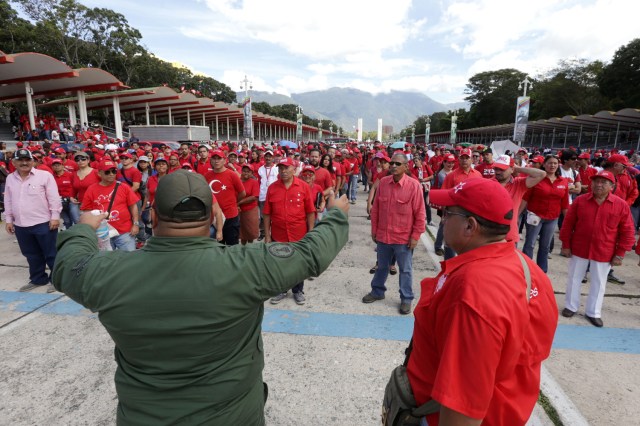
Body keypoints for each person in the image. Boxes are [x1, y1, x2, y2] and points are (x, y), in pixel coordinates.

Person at [52, 170, 350, 425]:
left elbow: (66, 265)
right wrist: (336, 215)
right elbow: (312, 254)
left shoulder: (109, 274)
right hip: (233, 416)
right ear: (210, 217)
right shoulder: (246, 266)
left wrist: (84, 228)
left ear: (153, 216)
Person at [401, 178, 557, 425]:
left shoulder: (472, 292)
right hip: (506, 409)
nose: (442, 218)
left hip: (443, 415)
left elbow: (463, 402)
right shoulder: (527, 268)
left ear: (470, 226)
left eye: (447, 213)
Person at [559, 170, 635, 327]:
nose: (599, 185)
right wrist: (565, 245)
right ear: (591, 184)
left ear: (612, 186)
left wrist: (620, 254)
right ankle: (570, 306)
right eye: (596, 182)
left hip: (604, 250)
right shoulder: (580, 201)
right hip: (579, 247)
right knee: (574, 278)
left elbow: (627, 231)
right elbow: (567, 224)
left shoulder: (620, 205)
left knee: (599, 283)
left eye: (604, 182)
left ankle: (593, 312)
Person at [362, 153, 425, 315]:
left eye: (398, 164)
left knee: (405, 269)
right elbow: (376, 209)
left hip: (403, 238)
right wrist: (374, 231)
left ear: (406, 166)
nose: (394, 166)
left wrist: (415, 236)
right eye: (392, 163)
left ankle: (406, 298)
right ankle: (377, 291)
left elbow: (420, 214)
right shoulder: (383, 183)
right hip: (383, 236)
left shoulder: (414, 186)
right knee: (382, 266)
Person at [4, 148, 61, 292]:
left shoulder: (45, 176)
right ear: (14, 162)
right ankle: (38, 279)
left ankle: (57, 280)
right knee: (31, 254)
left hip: (43, 222)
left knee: (51, 253)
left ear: (33, 161)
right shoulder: (10, 178)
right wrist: (9, 219)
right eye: (20, 160)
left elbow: (54, 198)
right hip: (21, 225)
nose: (24, 163)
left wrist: (55, 217)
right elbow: (8, 200)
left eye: (27, 160)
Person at [264, 158, 316, 305]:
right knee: (280, 263)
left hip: (298, 234)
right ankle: (281, 289)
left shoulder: (303, 187)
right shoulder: (272, 188)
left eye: (286, 168)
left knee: (298, 264)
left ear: (294, 169)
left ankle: (298, 290)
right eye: (281, 168)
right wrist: (267, 235)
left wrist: (311, 233)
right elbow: (267, 213)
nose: (283, 171)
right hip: (278, 234)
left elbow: (310, 211)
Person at [522, 155, 569, 272]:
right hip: (535, 216)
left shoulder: (563, 181)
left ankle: (542, 272)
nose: (552, 165)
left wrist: (568, 222)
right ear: (544, 165)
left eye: (555, 163)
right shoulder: (536, 178)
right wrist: (516, 215)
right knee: (530, 244)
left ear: (558, 165)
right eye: (550, 163)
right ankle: (526, 270)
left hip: (552, 218)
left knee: (545, 246)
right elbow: (525, 198)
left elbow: (565, 203)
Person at [81, 159, 139, 251]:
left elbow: (133, 206)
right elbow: (86, 211)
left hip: (124, 232)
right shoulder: (91, 189)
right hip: (102, 233)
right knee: (107, 262)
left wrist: (136, 224)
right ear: (99, 173)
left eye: (114, 171)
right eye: (107, 172)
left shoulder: (123, 187)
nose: (111, 174)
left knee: (128, 261)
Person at [492, 154, 546, 245]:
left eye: (502, 169)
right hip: (490, 235)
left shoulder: (519, 184)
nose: (497, 172)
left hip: (510, 235)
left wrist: (518, 168)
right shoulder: (488, 183)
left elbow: (542, 174)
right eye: (496, 169)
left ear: (512, 169)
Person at [204, 150, 246, 245]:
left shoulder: (232, 174)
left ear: (224, 160)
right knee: (218, 246)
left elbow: (242, 193)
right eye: (214, 158)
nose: (216, 161)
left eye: (219, 158)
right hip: (214, 217)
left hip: (230, 216)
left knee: (232, 245)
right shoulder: (206, 176)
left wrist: (234, 202)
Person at [52, 159, 76, 230]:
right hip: (60, 201)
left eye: (58, 165)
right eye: (54, 165)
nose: (56, 167)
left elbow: (75, 186)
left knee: (75, 219)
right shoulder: (52, 177)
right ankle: (69, 235)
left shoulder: (70, 175)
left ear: (63, 166)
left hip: (71, 200)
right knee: (67, 221)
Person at [238, 164, 260, 244]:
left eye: (248, 172)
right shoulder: (238, 181)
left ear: (251, 173)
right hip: (239, 210)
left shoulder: (254, 182)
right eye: (244, 171)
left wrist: (240, 202)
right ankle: (243, 248)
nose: (246, 173)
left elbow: (254, 197)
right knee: (242, 232)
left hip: (250, 209)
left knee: (251, 231)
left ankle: (250, 248)